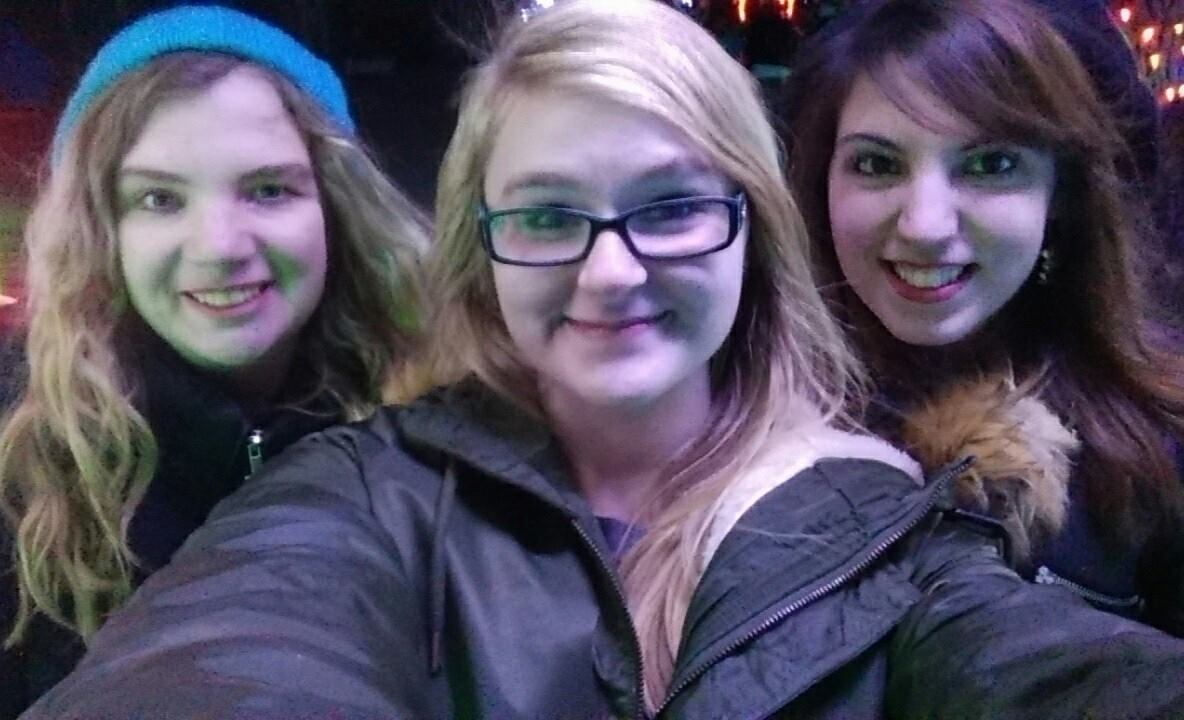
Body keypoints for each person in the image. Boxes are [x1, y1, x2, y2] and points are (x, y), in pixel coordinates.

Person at [21, 2, 1184, 718]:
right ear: (482, 248)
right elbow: (236, 643)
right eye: (545, 215)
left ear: (752, 231)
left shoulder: (884, 518)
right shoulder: (367, 487)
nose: (611, 271)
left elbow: (1037, 667)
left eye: (669, 208)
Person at [0, 5, 428, 716]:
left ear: (336, 205)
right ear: (101, 229)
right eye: (160, 199)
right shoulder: (17, 463)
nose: (220, 245)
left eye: (268, 190)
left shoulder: (426, 436)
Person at [783, 0, 1184, 637]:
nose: (925, 226)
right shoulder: (739, 410)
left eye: (991, 164)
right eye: (878, 164)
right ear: (819, 179)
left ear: (1061, 196)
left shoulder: (1157, 431)